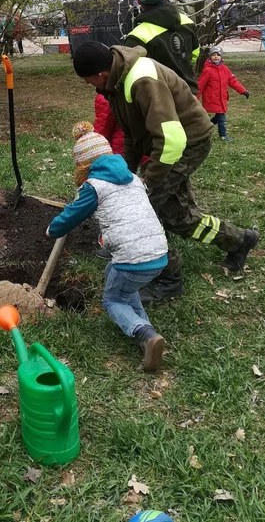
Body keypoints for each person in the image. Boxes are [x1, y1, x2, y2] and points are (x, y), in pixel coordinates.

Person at [71, 41, 259, 301]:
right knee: (177, 216)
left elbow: (172, 140)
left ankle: (169, 279)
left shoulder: (142, 80)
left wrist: (146, 186)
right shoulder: (117, 83)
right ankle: (239, 241)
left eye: (88, 80)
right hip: (169, 144)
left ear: (100, 73)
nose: (89, 85)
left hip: (186, 143)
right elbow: (132, 135)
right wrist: (126, 176)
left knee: (144, 209)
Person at [46, 121, 168, 372]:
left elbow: (73, 215)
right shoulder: (133, 179)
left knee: (112, 299)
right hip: (159, 252)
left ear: (83, 165)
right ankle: (146, 331)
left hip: (134, 259)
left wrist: (53, 229)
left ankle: (144, 335)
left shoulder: (94, 186)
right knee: (116, 277)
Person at [124, 0, 200, 93]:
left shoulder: (136, 36)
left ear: (139, 1)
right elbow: (194, 54)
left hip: (159, 99)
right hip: (189, 94)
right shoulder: (188, 22)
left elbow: (134, 74)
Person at [197, 46, 249, 142]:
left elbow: (232, 81)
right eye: (213, 55)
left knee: (219, 117)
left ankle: (204, 128)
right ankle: (223, 135)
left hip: (222, 98)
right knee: (221, 118)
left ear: (221, 57)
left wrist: (243, 90)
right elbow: (200, 85)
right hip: (212, 98)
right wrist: (194, 98)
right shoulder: (207, 70)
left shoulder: (225, 69)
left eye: (218, 55)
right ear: (210, 57)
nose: (216, 57)